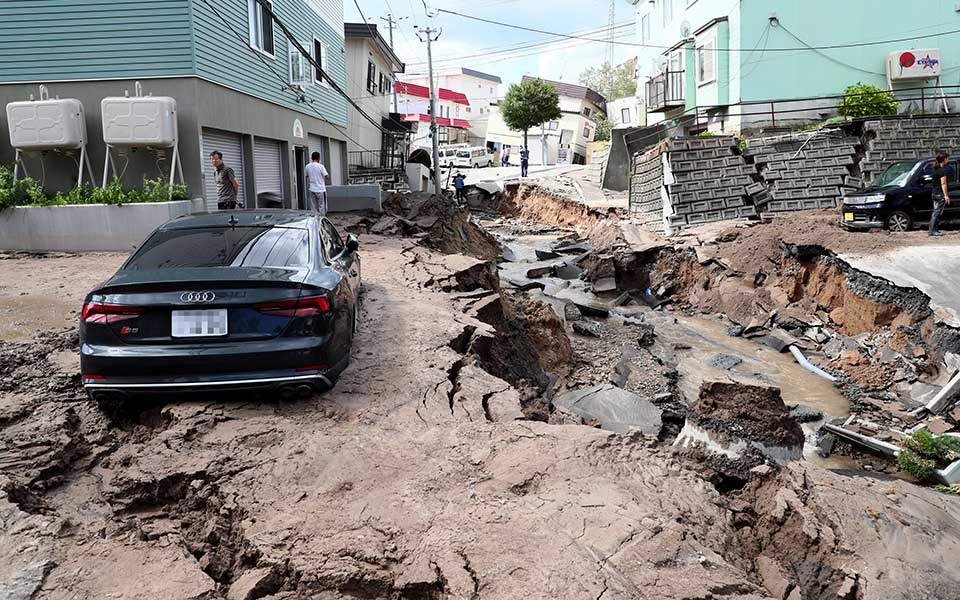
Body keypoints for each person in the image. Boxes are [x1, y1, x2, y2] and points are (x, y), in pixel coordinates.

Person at [929, 150, 953, 237]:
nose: (948, 160)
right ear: (944, 159)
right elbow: (943, 184)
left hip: (934, 193)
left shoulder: (935, 169)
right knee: (937, 212)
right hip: (940, 194)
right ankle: (932, 231)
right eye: (947, 158)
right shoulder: (943, 171)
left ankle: (935, 229)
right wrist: (946, 195)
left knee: (936, 212)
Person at [305, 151, 331, 216]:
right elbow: (327, 177)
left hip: (312, 189)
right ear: (319, 158)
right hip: (320, 189)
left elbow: (306, 176)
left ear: (311, 158)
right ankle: (322, 221)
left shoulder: (307, 166)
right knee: (322, 206)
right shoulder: (321, 166)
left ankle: (314, 221)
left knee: (313, 206)